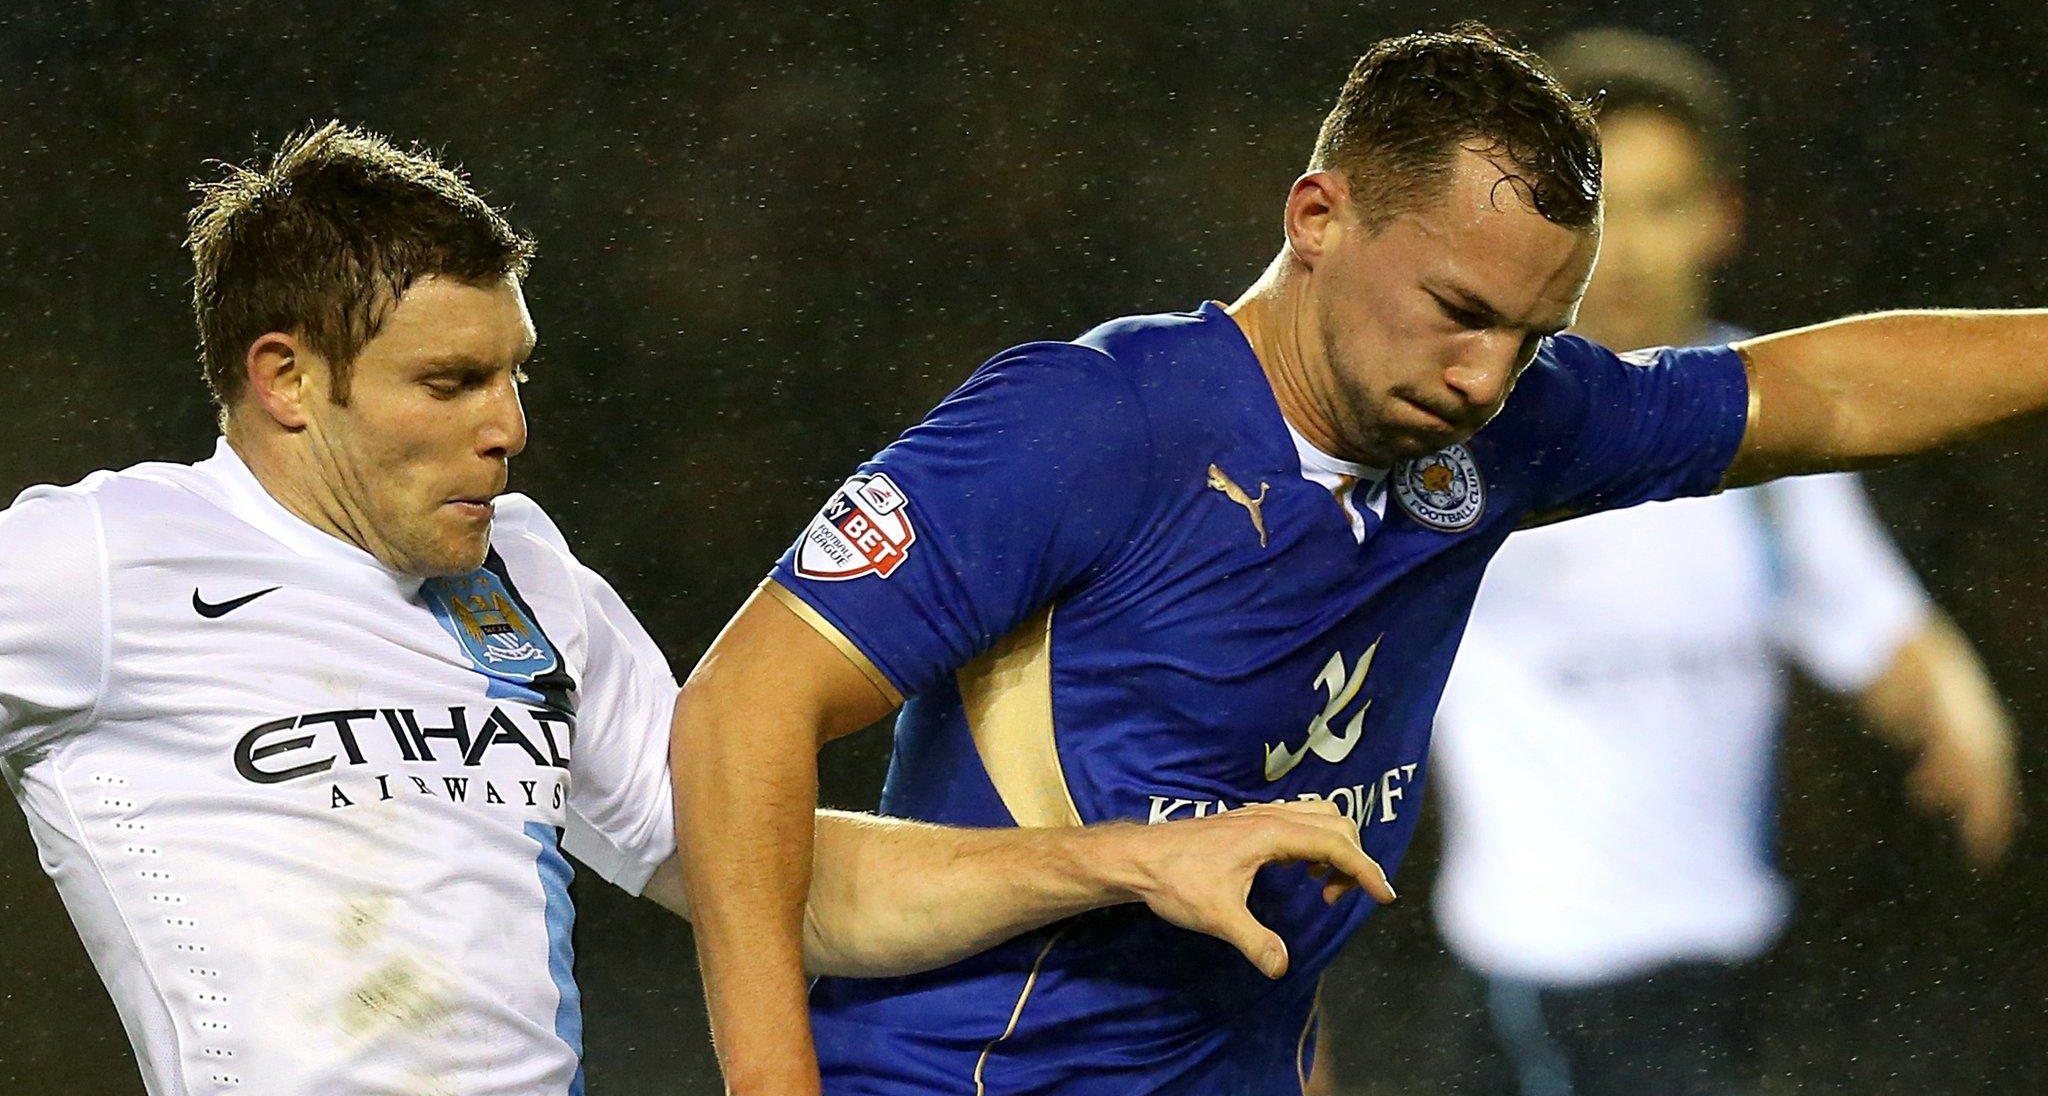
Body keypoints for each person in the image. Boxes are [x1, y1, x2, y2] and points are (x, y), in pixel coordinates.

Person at [674, 21, 2048, 1096]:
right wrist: (770, 1081)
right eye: (1457, 311)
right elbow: (741, 714)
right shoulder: (1089, 426)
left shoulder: (1513, 422)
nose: (1486, 375)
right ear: (1317, 218)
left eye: (1530, 332)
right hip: (970, 1074)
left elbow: (1823, 395)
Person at [0, 123, 1390, 1095]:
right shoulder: (108, 561)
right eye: (450, 385)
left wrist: (1118, 862)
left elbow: (761, 874)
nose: (509, 430)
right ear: (286, 378)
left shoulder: (520, 572)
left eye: (516, 375)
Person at [1412, 30, 2019, 1096]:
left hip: (1727, 966)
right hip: (1541, 977)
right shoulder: (1463, 435)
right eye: (1596, 212)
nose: (1629, 251)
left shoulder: (1774, 427)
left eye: (1661, 205)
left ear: (1720, 215)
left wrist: (1956, 709)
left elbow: (1875, 629)